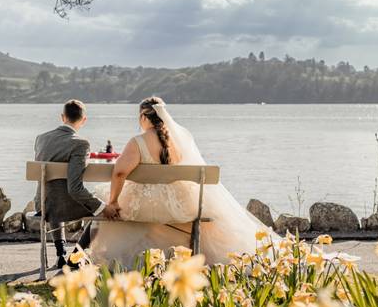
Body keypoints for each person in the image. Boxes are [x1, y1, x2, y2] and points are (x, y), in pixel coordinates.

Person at [85, 97, 273, 266]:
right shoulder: (175, 142)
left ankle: (104, 257)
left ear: (144, 116)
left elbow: (119, 173)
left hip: (146, 203)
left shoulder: (138, 142)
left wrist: (114, 200)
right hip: (178, 203)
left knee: (104, 201)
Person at [33, 100, 120, 268]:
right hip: (62, 206)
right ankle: (75, 256)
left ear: (62, 117)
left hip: (42, 205)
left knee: (56, 192)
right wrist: (103, 207)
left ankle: (61, 254)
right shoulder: (80, 144)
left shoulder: (41, 138)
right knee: (101, 209)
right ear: (84, 120)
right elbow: (75, 189)